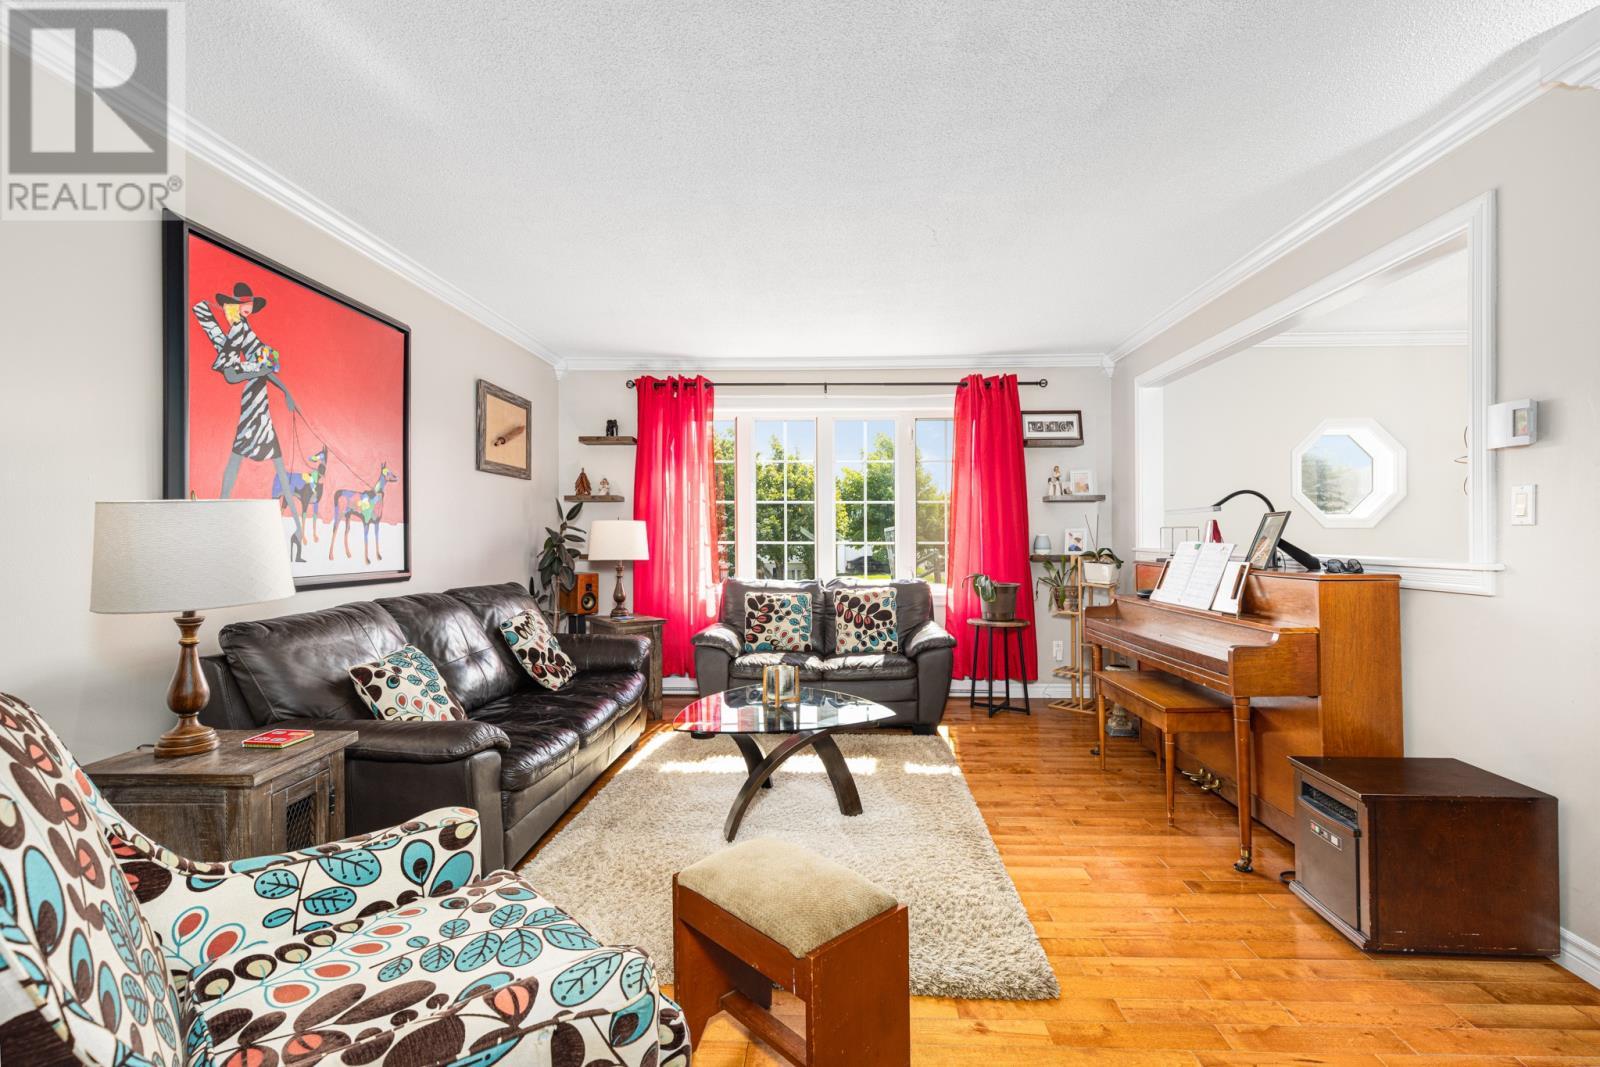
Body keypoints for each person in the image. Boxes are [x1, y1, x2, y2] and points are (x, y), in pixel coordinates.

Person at [193, 282, 307, 560]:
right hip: (252, 405)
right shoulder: (236, 333)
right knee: (236, 461)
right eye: (242, 305)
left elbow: (265, 367)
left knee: (279, 467)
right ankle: (218, 518)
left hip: (261, 404)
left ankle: (298, 528)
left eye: (249, 306)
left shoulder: (245, 330)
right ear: (231, 307)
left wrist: (286, 392)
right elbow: (231, 375)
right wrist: (257, 369)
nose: (246, 309)